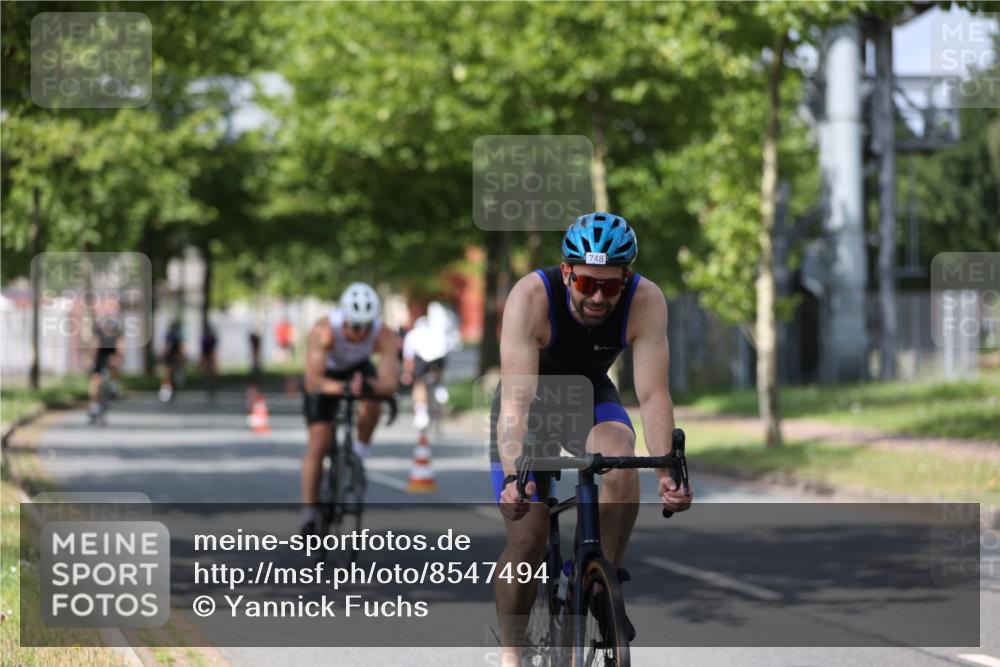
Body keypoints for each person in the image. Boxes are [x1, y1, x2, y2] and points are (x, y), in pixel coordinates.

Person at [491, 212, 694, 664]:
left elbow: (653, 395)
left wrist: (666, 472)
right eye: (586, 284)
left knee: (621, 461)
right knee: (527, 539)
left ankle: (599, 581)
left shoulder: (645, 299)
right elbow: (516, 404)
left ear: (627, 278)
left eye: (611, 285)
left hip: (590, 396)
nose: (599, 297)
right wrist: (512, 477)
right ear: (567, 272)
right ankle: (511, 654)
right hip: (529, 406)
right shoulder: (530, 297)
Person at [299, 282, 400, 535]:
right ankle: (309, 514)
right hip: (326, 375)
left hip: (358, 369)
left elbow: (389, 383)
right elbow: (312, 381)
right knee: (320, 442)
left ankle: (357, 454)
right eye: (356, 326)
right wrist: (342, 388)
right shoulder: (324, 330)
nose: (361, 333)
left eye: (367, 326)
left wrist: (369, 386)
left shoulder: (383, 334)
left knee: (374, 400)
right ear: (345, 319)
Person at [401, 301, 461, 433]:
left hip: (423, 358)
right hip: (439, 357)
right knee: (438, 371)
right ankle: (440, 389)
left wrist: (407, 374)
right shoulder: (436, 331)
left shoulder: (412, 335)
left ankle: (421, 412)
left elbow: (408, 359)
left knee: (419, 383)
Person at [88, 314, 123, 422]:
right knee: (95, 380)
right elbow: (94, 347)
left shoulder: (118, 334)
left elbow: (121, 347)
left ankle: (114, 387)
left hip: (112, 353)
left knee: (114, 367)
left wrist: (117, 359)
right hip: (100, 355)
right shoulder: (98, 333)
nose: (109, 330)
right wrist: (92, 361)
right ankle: (94, 407)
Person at [159, 319, 185, 402]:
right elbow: (180, 347)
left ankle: (167, 391)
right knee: (172, 374)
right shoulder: (177, 334)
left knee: (168, 374)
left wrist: (164, 354)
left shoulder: (170, 334)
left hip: (171, 357)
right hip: (175, 356)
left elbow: (168, 346)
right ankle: (171, 390)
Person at [200, 323, 218, 397]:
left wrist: (213, 358)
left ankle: (211, 385)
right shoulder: (204, 339)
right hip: (206, 355)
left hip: (210, 355)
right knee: (207, 370)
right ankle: (208, 383)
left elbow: (214, 349)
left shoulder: (212, 339)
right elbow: (203, 350)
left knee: (212, 370)